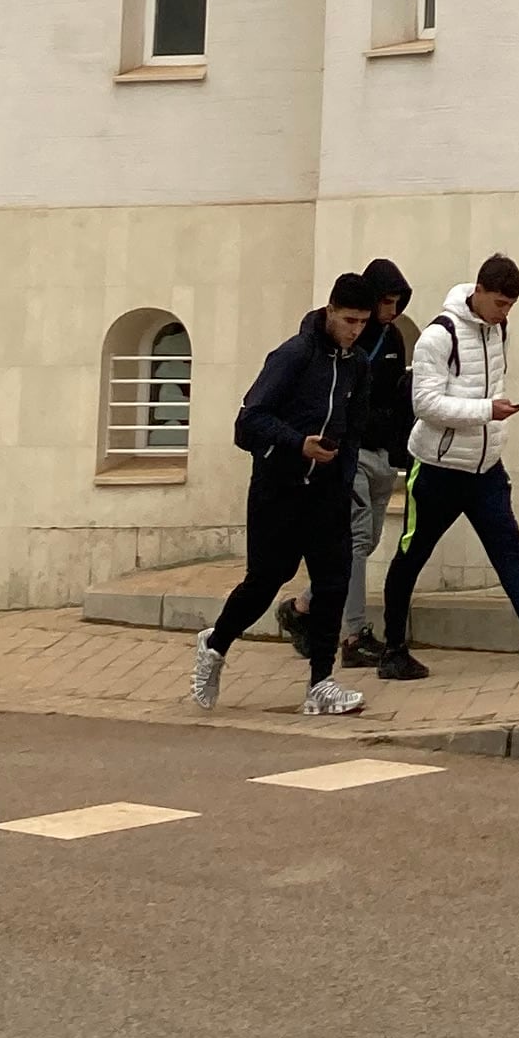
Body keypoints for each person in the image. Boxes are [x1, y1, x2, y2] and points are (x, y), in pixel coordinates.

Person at [376, 253, 519, 680]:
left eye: (511, 307)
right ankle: (392, 648)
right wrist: (487, 410)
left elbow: (493, 382)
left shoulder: (498, 329)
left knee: (508, 544)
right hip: (437, 467)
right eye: (501, 304)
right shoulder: (438, 336)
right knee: (411, 554)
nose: (505, 313)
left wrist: (493, 419)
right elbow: (425, 404)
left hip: (485, 464)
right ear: (480, 291)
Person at [189, 273, 377, 717]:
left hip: (328, 492)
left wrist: (345, 476)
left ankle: (321, 683)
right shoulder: (294, 355)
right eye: (349, 320)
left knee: (334, 581)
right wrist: (298, 444)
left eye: (363, 323)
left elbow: (353, 429)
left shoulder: (358, 364)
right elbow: (248, 423)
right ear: (330, 310)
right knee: (266, 580)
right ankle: (215, 646)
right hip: (279, 488)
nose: (355, 330)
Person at [280, 257, 413, 669]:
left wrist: (396, 438)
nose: (390, 311)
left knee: (367, 541)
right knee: (354, 542)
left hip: (380, 453)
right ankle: (353, 635)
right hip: (346, 454)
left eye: (397, 302)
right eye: (385, 302)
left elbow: (393, 395)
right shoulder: (333, 339)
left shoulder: (391, 340)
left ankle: (301, 608)